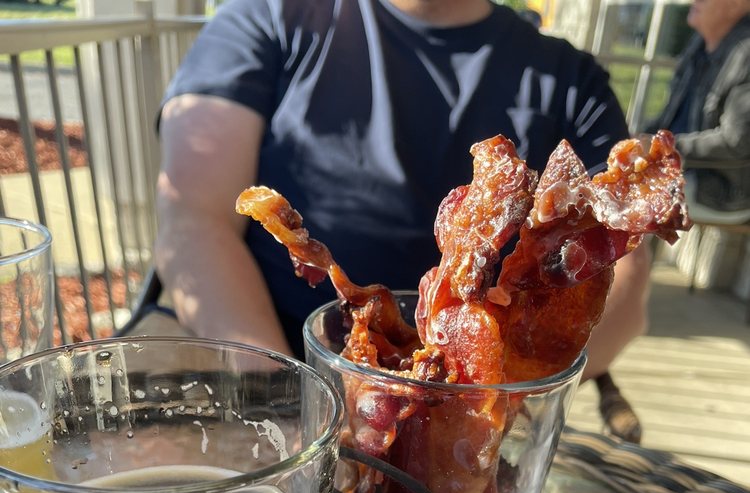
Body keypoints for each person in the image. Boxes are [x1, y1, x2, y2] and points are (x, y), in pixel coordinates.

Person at [154, 0, 651, 440]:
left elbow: (625, 272)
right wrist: (288, 406)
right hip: (262, 372)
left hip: (489, 407)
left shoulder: (571, 80)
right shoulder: (269, 19)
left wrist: (478, 420)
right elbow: (193, 216)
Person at [645, 0, 750, 216]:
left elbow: (736, 143)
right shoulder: (699, 44)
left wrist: (664, 148)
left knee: (636, 205)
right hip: (677, 172)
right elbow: (669, 117)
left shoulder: (746, 54)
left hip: (721, 191)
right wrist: (632, 139)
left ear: (738, 4)